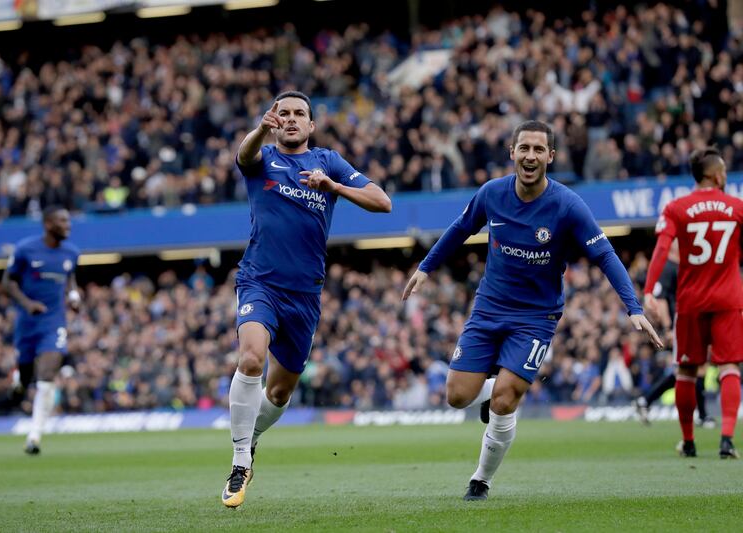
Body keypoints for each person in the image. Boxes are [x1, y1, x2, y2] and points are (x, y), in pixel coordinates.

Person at [402, 120, 662, 501]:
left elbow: (604, 254)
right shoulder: (492, 193)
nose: (530, 156)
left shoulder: (568, 205)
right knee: (456, 396)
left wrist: (632, 307)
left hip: (535, 318)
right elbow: (459, 229)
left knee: (507, 398)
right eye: (524, 148)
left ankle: (481, 480)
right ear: (512, 152)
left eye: (539, 150)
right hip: (488, 308)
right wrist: (425, 267)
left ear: (551, 157)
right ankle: (491, 391)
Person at [222, 91, 391, 508]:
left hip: (305, 295)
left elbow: (383, 202)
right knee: (250, 359)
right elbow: (243, 155)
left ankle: (252, 437)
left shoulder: (328, 162)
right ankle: (240, 461)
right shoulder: (261, 159)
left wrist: (332, 185)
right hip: (259, 281)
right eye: (285, 114)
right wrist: (261, 129)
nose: (292, 119)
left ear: (312, 125)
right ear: (275, 121)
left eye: (300, 114)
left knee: (279, 394)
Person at [643, 146, 743, 459]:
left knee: (686, 370)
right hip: (728, 298)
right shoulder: (737, 207)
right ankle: (727, 440)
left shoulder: (677, 208)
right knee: (729, 367)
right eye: (724, 170)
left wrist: (649, 291)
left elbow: (661, 250)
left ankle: (689, 442)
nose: (725, 175)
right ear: (715, 175)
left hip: (691, 301)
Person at [2, 205, 80, 454]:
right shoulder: (26, 249)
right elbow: (8, 281)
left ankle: (34, 436)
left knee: (47, 374)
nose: (68, 225)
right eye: (63, 221)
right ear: (48, 224)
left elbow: (69, 277)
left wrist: (74, 295)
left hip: (53, 322)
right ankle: (19, 383)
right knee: (27, 374)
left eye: (68, 221)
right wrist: (27, 303)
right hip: (27, 323)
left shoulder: (72, 253)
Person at [633, 240, 714, 428]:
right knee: (689, 368)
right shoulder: (668, 267)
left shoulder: (682, 265)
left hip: (690, 321)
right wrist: (668, 328)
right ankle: (700, 416)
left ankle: (646, 401)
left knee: (695, 367)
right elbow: (660, 300)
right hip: (681, 323)